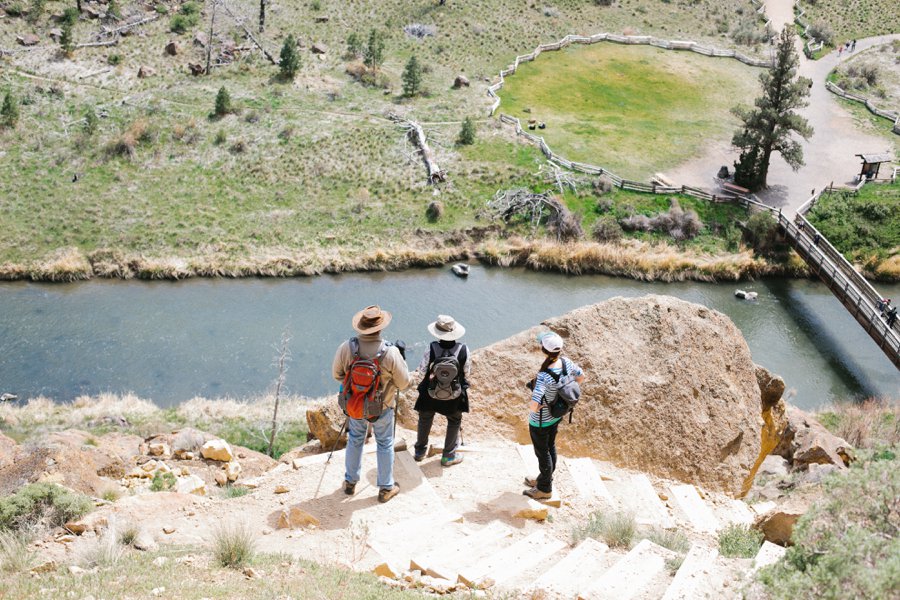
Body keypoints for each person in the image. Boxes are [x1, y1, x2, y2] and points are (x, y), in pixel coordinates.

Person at [333, 305, 411, 503]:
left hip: (356, 405)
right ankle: (385, 488)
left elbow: (337, 375)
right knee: (384, 443)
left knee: (355, 439)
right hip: (382, 407)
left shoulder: (347, 348)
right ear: (380, 327)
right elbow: (404, 383)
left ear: (360, 326)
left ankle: (350, 482)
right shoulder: (391, 352)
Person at [524, 332, 584, 500]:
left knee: (543, 453)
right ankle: (544, 479)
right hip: (556, 415)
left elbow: (534, 404)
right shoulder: (567, 363)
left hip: (540, 421)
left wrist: (538, 407)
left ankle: (544, 489)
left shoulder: (544, 376)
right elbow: (581, 377)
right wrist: (559, 396)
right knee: (550, 447)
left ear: (544, 350)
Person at [413, 315, 470, 467]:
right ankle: (448, 456)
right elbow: (466, 373)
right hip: (453, 394)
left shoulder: (431, 347)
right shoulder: (463, 349)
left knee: (425, 418)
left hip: (430, 393)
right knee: (454, 421)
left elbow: (422, 371)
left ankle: (419, 452)